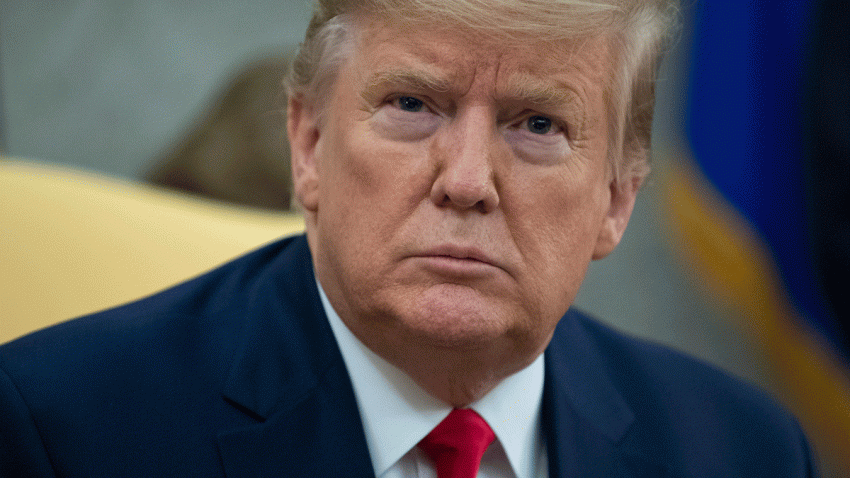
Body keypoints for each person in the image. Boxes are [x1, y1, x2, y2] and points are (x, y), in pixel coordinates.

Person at [0, 0, 817, 476]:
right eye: (411, 105)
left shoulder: (747, 452)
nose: (466, 179)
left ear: (615, 198)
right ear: (310, 145)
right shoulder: (60, 431)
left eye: (537, 124)